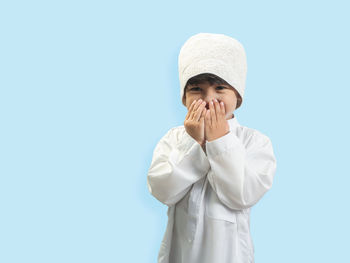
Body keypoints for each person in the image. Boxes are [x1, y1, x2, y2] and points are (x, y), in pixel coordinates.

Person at [147, 32, 277, 263]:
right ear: (184, 97)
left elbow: (242, 195)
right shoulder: (174, 138)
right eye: (196, 89)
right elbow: (162, 190)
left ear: (237, 95)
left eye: (220, 88)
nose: (208, 98)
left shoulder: (254, 142)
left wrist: (220, 142)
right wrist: (193, 142)